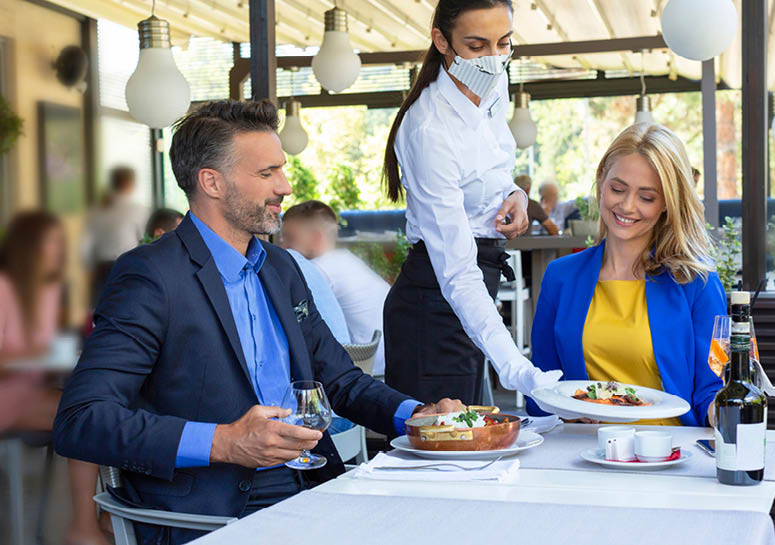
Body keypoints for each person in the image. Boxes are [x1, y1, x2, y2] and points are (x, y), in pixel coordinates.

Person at [53, 100, 461, 545]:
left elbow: (340, 379)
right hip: (209, 511)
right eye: (267, 174)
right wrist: (225, 442)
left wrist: (417, 417)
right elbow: (82, 419)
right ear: (211, 181)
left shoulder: (281, 267)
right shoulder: (150, 276)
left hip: (312, 485)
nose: (285, 186)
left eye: (281, 170)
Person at [381, 0, 561, 404]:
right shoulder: (429, 130)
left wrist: (515, 193)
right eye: (477, 46)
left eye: (504, 43)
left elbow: (497, 158)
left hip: (478, 285)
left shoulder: (494, 83)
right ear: (442, 41)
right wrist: (515, 366)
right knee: (443, 454)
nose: (494, 59)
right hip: (435, 303)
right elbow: (457, 272)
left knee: (470, 446)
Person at [527, 124, 725, 427]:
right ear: (601, 179)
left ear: (667, 205)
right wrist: (566, 412)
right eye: (618, 189)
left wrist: (723, 411)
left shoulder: (696, 282)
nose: (627, 206)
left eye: (647, 197)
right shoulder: (561, 277)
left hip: (668, 458)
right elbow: (539, 390)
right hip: (583, 458)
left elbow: (714, 388)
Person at [0, 211, 107, 545]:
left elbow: (49, 349)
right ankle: (85, 527)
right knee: (87, 416)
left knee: (105, 409)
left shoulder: (49, 291)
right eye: (52, 243)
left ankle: (99, 519)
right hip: (6, 397)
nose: (59, 250)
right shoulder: (4, 288)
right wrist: (36, 355)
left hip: (32, 392)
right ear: (29, 246)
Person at [281, 200, 387, 376]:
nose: (283, 245)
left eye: (290, 238)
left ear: (316, 238)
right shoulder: (347, 260)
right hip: (380, 358)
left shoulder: (317, 270)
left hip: (361, 369)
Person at [83, 166, 148, 305]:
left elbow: (85, 249)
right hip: (128, 270)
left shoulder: (97, 211)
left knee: (101, 318)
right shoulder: (137, 210)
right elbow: (146, 243)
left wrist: (91, 271)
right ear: (131, 183)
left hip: (101, 273)